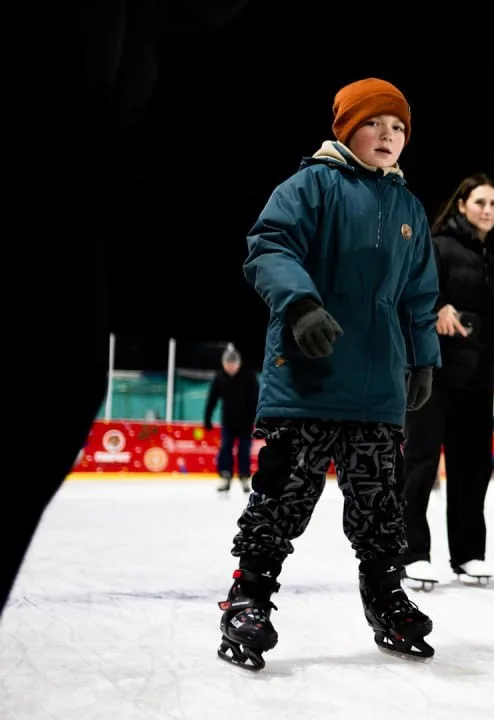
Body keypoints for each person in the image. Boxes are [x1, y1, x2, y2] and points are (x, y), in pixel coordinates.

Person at [4, 0, 253, 622]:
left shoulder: (241, 378)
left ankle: (235, 475)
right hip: (59, 139)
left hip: (76, 149)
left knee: (68, 384)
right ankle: (228, 474)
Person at [216, 78, 441, 670]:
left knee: (379, 503)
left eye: (398, 127)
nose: (388, 136)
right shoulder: (311, 186)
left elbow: (420, 295)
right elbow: (268, 246)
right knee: (283, 497)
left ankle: (385, 596)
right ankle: (249, 597)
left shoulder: (410, 209)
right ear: (346, 129)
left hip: (377, 388)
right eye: (375, 124)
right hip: (307, 379)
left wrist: (423, 358)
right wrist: (300, 304)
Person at [399, 173, 494, 588]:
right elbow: (411, 288)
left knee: (473, 468)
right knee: (421, 463)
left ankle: (468, 554)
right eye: (480, 202)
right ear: (462, 204)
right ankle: (412, 552)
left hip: (479, 374)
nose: (488, 210)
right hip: (434, 371)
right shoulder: (438, 245)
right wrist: (439, 307)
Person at [204, 344, 259, 494]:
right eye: (227, 364)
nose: (230, 367)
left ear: (238, 363)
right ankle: (225, 476)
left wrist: (257, 418)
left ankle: (244, 477)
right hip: (228, 421)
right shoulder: (220, 377)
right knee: (226, 448)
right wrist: (207, 418)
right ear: (223, 363)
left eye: (233, 364)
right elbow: (212, 399)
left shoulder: (248, 376)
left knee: (244, 449)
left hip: (246, 421)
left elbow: (256, 399)